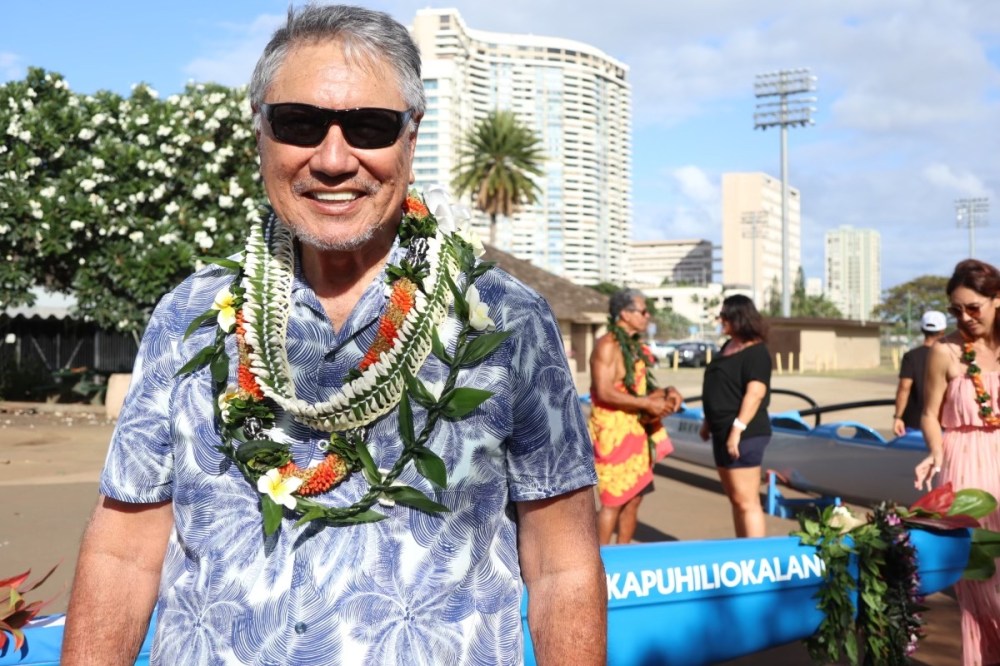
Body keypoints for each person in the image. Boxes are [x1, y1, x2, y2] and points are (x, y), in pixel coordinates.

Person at [61, 6, 606, 665]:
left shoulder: (505, 320)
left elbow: (562, 564)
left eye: (369, 127)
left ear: (411, 135)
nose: (333, 159)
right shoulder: (190, 314)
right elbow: (123, 551)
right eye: (299, 123)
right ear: (258, 129)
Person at [914, 259, 1000, 666]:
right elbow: (929, 414)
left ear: (996, 300)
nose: (965, 318)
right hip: (966, 467)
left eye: (973, 307)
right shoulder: (945, 352)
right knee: (983, 580)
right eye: (956, 310)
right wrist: (934, 450)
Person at [589, 289, 681, 545]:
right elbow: (604, 390)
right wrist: (646, 404)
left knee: (634, 498)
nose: (647, 316)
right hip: (613, 433)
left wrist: (666, 392)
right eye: (642, 311)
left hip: (637, 431)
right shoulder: (607, 345)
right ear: (625, 314)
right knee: (612, 502)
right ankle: (601, 566)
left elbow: (636, 389)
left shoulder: (633, 346)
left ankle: (624, 557)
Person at [698, 294, 771, 538]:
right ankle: (743, 552)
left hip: (744, 434)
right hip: (722, 432)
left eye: (724, 315)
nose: (721, 320)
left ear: (738, 317)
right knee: (736, 500)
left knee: (747, 501)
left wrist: (737, 430)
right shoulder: (727, 347)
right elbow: (721, 388)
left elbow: (755, 393)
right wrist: (708, 422)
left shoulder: (757, 352)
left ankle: (756, 558)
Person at [892, 310, 947, 436]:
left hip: (914, 422)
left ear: (922, 329)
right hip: (943, 422)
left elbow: (904, 387)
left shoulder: (911, 356)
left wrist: (898, 417)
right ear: (943, 330)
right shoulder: (951, 355)